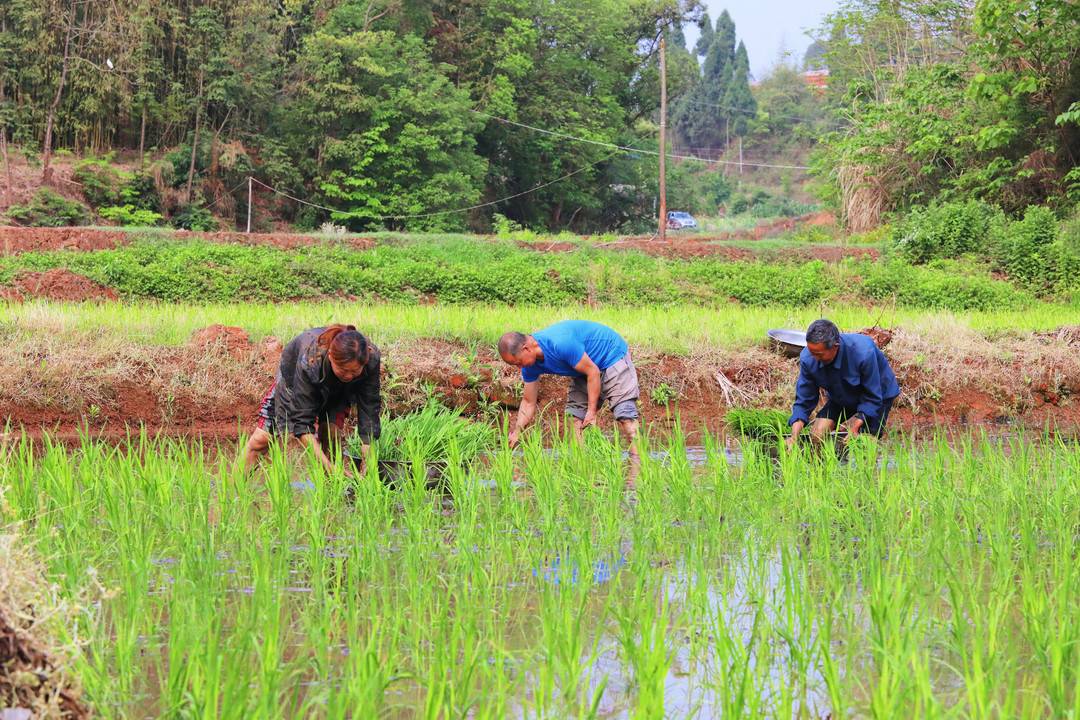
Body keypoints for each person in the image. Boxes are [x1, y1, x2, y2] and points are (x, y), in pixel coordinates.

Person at [243, 324, 381, 475]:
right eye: (343, 370)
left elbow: (369, 409)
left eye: (355, 372)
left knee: (331, 434)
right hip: (294, 382)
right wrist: (331, 469)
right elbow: (302, 424)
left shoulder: (370, 358)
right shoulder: (310, 361)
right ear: (330, 357)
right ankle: (234, 491)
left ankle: (330, 491)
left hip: (338, 389)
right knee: (261, 440)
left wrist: (368, 462)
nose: (348, 376)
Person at [498, 320, 640, 462]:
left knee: (625, 414)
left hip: (610, 355)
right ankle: (583, 466)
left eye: (517, 362)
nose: (519, 368)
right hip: (584, 368)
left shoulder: (560, 343)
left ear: (526, 349)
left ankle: (637, 465)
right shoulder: (529, 365)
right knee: (575, 419)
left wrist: (591, 413)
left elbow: (593, 372)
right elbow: (528, 402)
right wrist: (517, 431)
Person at [786, 318, 900, 450]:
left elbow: (872, 396)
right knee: (817, 434)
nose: (815, 358)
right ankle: (824, 468)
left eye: (819, 354)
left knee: (863, 443)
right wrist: (794, 437)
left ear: (835, 347)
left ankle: (867, 467)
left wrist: (855, 427)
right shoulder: (808, 359)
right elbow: (804, 401)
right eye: (812, 352)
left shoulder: (863, 353)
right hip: (842, 394)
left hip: (878, 394)